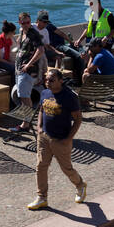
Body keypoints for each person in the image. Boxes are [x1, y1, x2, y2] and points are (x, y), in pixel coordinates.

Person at [29, 68, 86, 210]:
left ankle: (80, 185)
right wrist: (39, 126)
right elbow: (41, 109)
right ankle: (42, 197)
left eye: (52, 80)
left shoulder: (69, 96)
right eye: (46, 79)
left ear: (61, 81)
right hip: (44, 137)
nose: (48, 82)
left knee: (66, 168)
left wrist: (69, 138)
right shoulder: (45, 92)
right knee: (41, 166)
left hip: (61, 140)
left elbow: (78, 119)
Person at [11, 12, 47, 129]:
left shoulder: (33, 34)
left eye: (28, 22)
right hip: (19, 69)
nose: (27, 25)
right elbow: (20, 44)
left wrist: (28, 64)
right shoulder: (22, 32)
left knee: (25, 98)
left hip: (28, 71)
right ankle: (27, 121)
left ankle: (26, 124)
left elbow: (40, 50)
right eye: (24, 23)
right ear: (19, 23)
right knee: (23, 97)